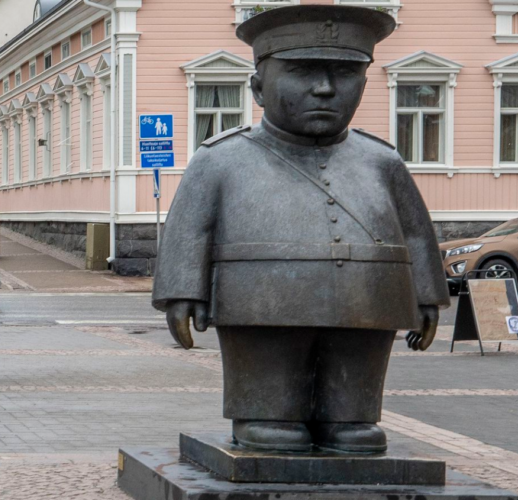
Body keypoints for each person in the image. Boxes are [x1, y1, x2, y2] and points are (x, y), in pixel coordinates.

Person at [152, 5, 449, 453]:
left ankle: (349, 414)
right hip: (259, 302)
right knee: (271, 391)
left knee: (356, 402)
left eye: (344, 74)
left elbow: (415, 231)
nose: (326, 89)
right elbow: (190, 228)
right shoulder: (220, 159)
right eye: (302, 72)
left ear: (364, 84)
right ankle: (265, 409)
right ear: (257, 87)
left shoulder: (382, 161)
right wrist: (181, 291)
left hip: (367, 299)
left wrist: (427, 294)